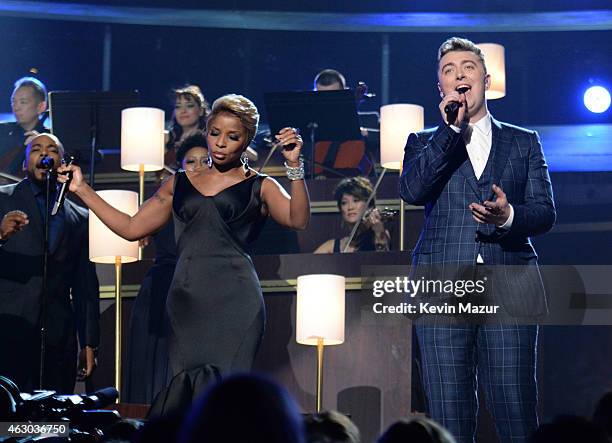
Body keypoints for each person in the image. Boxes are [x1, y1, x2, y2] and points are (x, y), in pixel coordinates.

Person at [58, 94, 309, 399]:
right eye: (214, 133)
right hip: (187, 300)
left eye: (232, 137)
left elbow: (297, 219)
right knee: (186, 393)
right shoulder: (179, 183)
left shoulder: (262, 185)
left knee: (227, 396)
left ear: (246, 141)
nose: (220, 143)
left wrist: (294, 167)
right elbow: (130, 228)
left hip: (238, 301)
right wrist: (82, 189)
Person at [399, 37, 555, 443]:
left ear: (486, 80)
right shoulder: (422, 142)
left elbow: (545, 212)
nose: (459, 75)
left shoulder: (523, 142)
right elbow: (413, 191)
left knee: (515, 409)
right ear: (441, 89)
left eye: (467, 67)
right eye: (449, 71)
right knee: (448, 415)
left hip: (509, 281)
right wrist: (449, 132)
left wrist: (509, 217)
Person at [0, 133, 99, 393]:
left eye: (52, 150)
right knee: (9, 422)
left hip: (58, 333)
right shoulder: (2, 200)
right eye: (36, 149)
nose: (44, 154)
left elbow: (85, 284)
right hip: (9, 328)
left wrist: (88, 342)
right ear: (25, 163)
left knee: (54, 420)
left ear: (62, 162)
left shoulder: (79, 216)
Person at [123, 133, 209, 404]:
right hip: (161, 291)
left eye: (204, 161)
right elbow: (134, 228)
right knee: (156, 373)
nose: (197, 167)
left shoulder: (226, 203)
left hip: (203, 292)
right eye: (190, 162)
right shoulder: (165, 199)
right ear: (180, 167)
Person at [315, 176, 390, 253]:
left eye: (356, 200)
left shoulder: (380, 235)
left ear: (369, 205)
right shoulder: (333, 246)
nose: (350, 207)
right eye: (344, 203)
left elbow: (385, 262)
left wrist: (379, 234)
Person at [0, 77, 49, 178]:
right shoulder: (2, 131)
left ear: (41, 107)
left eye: (23, 102)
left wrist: (41, 146)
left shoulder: (50, 139)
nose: (16, 107)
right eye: (13, 101)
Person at [165, 85, 209, 153]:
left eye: (189, 106)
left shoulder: (208, 140)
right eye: (178, 106)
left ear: (201, 111)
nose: (183, 111)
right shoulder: (166, 139)